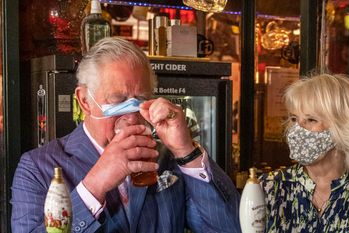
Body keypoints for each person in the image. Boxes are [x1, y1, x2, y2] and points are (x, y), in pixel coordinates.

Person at [11, 37, 241, 233]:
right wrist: (95, 185)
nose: (131, 115)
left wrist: (186, 151)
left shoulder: (165, 160)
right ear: (84, 101)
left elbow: (228, 228)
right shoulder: (37, 168)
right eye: (118, 100)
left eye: (140, 99)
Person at [260, 73, 349, 232]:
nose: (297, 130)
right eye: (294, 119)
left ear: (343, 128)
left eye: (311, 120)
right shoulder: (271, 186)